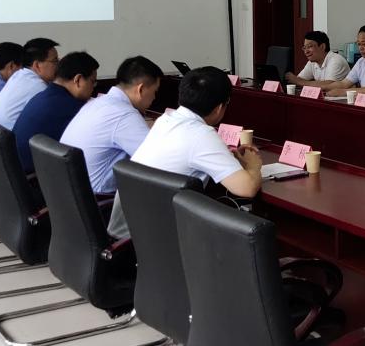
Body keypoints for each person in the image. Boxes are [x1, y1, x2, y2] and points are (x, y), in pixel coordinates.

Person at [106, 66, 262, 239]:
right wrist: (254, 166)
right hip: (159, 237)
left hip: (130, 231)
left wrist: (226, 157)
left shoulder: (165, 120)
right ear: (219, 108)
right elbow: (247, 189)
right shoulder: (202, 135)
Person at [59, 55, 163, 194]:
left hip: (67, 193)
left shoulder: (96, 103)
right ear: (141, 89)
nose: (154, 97)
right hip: (98, 200)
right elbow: (158, 162)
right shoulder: (124, 114)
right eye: (155, 91)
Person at [13, 51, 99, 174]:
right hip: (36, 177)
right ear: (78, 80)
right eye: (92, 81)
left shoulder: (42, 96)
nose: (93, 87)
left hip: (19, 171)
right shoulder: (70, 107)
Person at [0, 38, 59, 131]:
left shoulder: (18, 75)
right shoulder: (38, 87)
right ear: (37, 65)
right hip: (10, 137)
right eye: (55, 61)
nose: (59, 65)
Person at [284, 30, 349, 86]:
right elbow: (300, 79)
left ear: (322, 47)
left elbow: (329, 85)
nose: (306, 51)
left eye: (309, 46)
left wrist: (297, 81)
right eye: (304, 48)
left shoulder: (336, 61)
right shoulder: (312, 62)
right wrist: (294, 80)